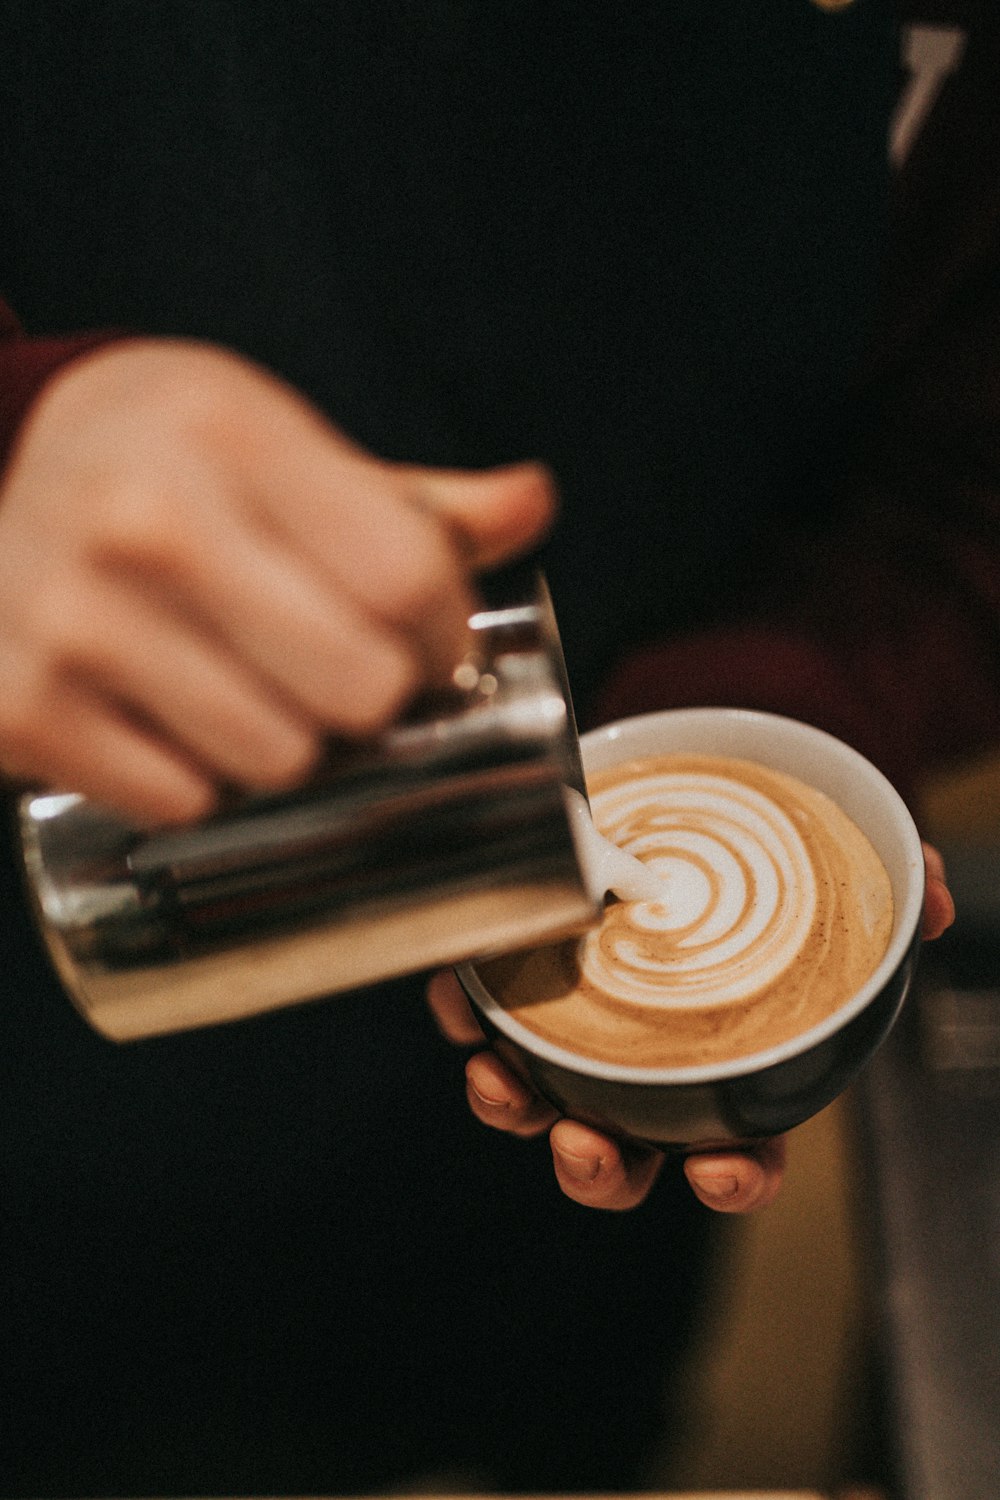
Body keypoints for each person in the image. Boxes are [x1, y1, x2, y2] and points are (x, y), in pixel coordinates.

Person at [0, 2, 987, 1494]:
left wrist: (773, 716)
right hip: (72, 987)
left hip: (568, 1064)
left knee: (532, 1416)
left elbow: (962, 479)